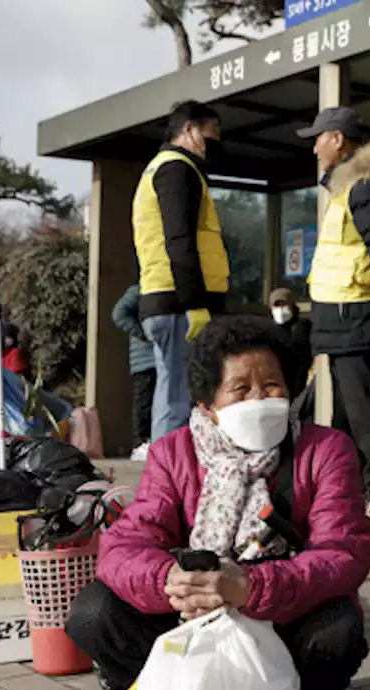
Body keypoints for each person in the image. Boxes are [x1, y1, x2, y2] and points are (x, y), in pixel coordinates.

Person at [65, 317, 370, 690]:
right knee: (94, 613)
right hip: (190, 618)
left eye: (271, 385)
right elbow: (124, 545)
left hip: (279, 615)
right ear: (208, 404)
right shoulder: (173, 453)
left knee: (337, 625)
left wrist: (249, 587)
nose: (259, 398)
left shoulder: (325, 449)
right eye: (241, 389)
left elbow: (343, 554)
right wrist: (170, 582)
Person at [298, 106, 370, 531]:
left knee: (364, 414)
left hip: (356, 315)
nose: (314, 147)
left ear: (338, 140)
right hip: (339, 318)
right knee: (341, 416)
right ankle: (351, 495)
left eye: (318, 138)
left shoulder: (364, 188)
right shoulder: (345, 190)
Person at [133, 100, 230, 443]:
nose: (215, 142)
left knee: (173, 392)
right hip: (177, 304)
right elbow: (179, 240)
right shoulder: (176, 169)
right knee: (176, 398)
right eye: (211, 133)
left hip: (166, 299)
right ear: (188, 129)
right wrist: (194, 305)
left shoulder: (161, 169)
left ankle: (170, 483)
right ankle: (166, 487)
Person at [111, 283, 156, 462]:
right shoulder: (139, 290)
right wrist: (144, 334)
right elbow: (119, 314)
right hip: (144, 358)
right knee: (144, 402)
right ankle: (141, 443)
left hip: (160, 358)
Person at [268, 287, 312, 398]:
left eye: (284, 305)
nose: (280, 310)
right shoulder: (268, 330)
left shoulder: (302, 327)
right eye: (276, 306)